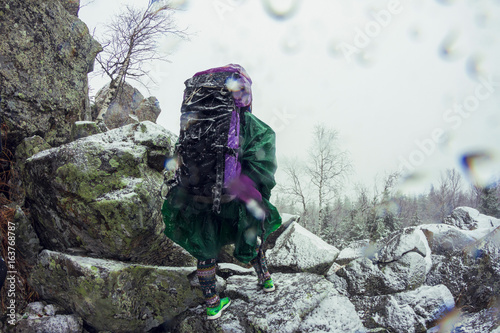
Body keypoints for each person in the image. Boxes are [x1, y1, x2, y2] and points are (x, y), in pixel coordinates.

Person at [161, 64, 282, 320]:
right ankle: (266, 279)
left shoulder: (194, 123)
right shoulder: (249, 124)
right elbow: (264, 165)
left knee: (206, 245)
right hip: (233, 195)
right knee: (251, 228)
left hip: (198, 195)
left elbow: (179, 158)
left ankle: (213, 302)